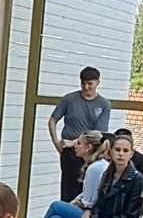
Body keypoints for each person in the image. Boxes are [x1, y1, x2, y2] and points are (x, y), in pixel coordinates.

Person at [29, 131, 106, 218]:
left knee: (56, 205)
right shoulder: (95, 165)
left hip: (95, 217)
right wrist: (75, 202)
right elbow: (86, 193)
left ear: (88, 147)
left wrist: (75, 204)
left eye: (79, 143)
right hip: (91, 211)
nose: (75, 146)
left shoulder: (95, 168)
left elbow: (89, 201)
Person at [46, 67, 112, 202]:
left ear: (97, 83)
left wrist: (74, 142)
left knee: (85, 187)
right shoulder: (69, 99)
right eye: (83, 83)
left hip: (90, 150)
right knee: (68, 187)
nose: (86, 87)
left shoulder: (104, 104)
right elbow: (52, 120)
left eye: (90, 84)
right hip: (70, 151)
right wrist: (56, 142)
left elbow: (99, 132)